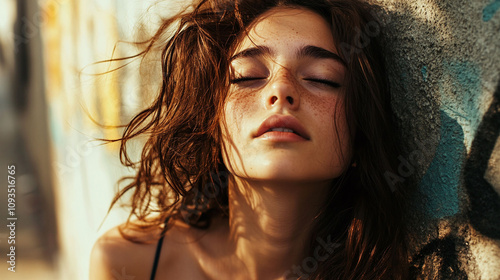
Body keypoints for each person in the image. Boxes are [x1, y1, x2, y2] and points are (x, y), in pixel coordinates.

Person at [90, 0, 409, 279]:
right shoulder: (127, 264)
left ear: (360, 125)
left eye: (320, 78)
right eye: (247, 77)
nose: (280, 90)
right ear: (211, 118)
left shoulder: (385, 269)